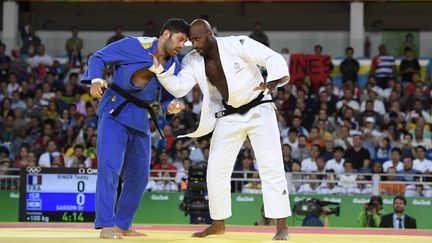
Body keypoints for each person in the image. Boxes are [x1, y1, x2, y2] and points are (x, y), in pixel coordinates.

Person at [149, 19, 291, 240]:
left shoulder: (238, 44)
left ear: (209, 34)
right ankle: (218, 223)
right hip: (229, 114)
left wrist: (271, 82)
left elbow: (272, 58)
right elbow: (179, 86)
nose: (194, 44)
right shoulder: (192, 60)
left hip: (258, 109)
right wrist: (159, 70)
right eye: (191, 40)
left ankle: (281, 225)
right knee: (215, 169)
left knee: (270, 165)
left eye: (197, 39)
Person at [80, 18, 189, 239]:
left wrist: (171, 107)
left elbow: (167, 97)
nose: (182, 45)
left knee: (139, 176)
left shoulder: (174, 65)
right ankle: (106, 224)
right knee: (110, 168)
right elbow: (98, 58)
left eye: (185, 42)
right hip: (116, 112)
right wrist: (96, 80)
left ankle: (122, 225)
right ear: (166, 34)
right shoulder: (134, 45)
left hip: (140, 118)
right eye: (180, 39)